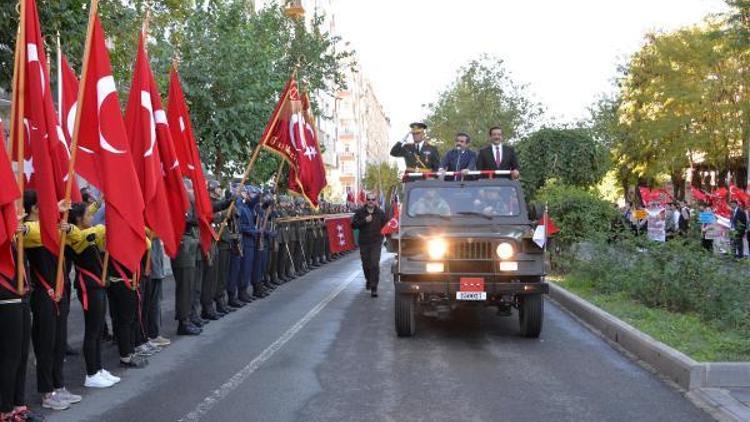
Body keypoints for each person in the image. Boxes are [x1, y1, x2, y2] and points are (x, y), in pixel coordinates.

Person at [21, 191, 81, 411]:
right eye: (44, 205)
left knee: (58, 343)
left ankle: (59, 385)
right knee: (45, 345)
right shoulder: (31, 229)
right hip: (43, 295)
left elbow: (76, 237)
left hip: (60, 291)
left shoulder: (52, 226)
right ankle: (47, 392)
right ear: (35, 208)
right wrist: (55, 213)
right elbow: (31, 232)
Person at [65, 203, 121, 388]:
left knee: (98, 330)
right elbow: (93, 231)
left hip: (96, 284)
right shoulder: (75, 235)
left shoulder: (86, 231)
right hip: (87, 286)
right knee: (92, 330)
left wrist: (101, 202)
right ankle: (91, 373)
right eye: (88, 215)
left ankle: (98, 368)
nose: (91, 218)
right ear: (79, 219)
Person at [351, 193, 387, 297]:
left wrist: (388, 239)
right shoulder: (360, 212)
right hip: (364, 242)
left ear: (376, 201)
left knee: (374, 264)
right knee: (366, 264)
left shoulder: (380, 213)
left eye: (373, 199)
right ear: (366, 200)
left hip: (376, 242)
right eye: (369, 199)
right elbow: (353, 225)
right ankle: (368, 280)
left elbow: (386, 226)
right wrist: (364, 221)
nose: (371, 201)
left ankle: (374, 287)